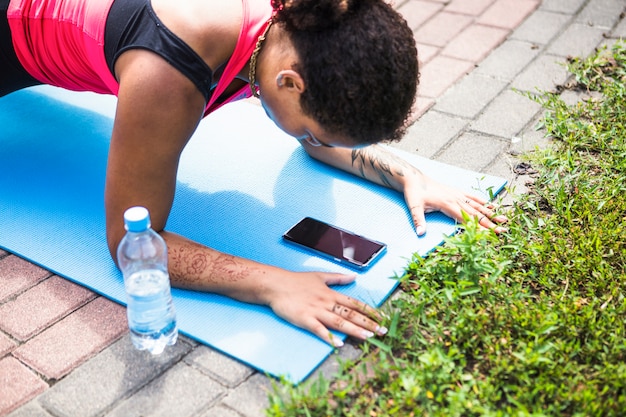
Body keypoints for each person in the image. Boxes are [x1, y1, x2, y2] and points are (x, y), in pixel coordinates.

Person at [1, 0, 507, 347]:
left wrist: (406, 175)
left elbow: (313, 141)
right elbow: (133, 243)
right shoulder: (169, 74)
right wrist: (273, 284)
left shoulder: (297, 23)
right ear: (290, 82)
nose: (319, 143)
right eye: (320, 130)